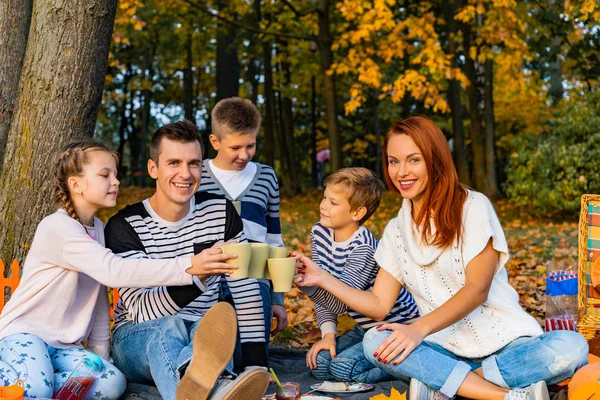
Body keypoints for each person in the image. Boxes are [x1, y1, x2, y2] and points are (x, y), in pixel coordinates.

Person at [293, 116, 588, 400]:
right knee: (374, 341)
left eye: (414, 159)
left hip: (507, 344)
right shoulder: (396, 230)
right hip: (440, 346)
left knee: (571, 346)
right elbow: (379, 306)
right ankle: (504, 395)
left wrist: (418, 329)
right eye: (393, 161)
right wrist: (321, 278)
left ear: (435, 160)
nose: (401, 172)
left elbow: (477, 289)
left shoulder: (473, 207)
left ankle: (448, 384)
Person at [0, 140, 240, 399]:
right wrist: (190, 266)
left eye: (115, 174)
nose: (115, 181)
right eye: (105, 175)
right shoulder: (57, 227)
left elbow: (99, 300)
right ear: (76, 184)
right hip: (26, 335)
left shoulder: (98, 229)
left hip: (64, 347)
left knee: (111, 382)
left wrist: (102, 356)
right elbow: (113, 271)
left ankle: (35, 381)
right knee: (38, 388)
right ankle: (31, 381)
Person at [105, 120, 269, 400]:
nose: (185, 173)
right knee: (171, 326)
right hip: (138, 337)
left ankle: (206, 388)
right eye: (174, 163)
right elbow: (144, 311)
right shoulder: (124, 226)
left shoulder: (221, 212)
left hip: (206, 334)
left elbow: (246, 291)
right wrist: (197, 276)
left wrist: (257, 364)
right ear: (153, 168)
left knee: (214, 330)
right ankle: (218, 386)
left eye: (193, 163)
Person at [301, 167, 420, 383]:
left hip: (395, 327)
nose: (324, 206)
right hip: (364, 327)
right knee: (318, 365)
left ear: (357, 213)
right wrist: (328, 335)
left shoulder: (363, 248)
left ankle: (409, 370)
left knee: (342, 370)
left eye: (333, 202)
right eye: (324, 197)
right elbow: (323, 288)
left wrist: (306, 283)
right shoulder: (320, 232)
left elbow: (339, 303)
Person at [198, 97, 288, 342]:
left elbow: (274, 240)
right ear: (215, 142)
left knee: (249, 351)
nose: (244, 155)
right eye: (235, 148)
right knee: (214, 346)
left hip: (254, 280)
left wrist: (278, 299)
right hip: (208, 283)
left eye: (250, 146)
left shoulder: (266, 177)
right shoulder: (197, 176)